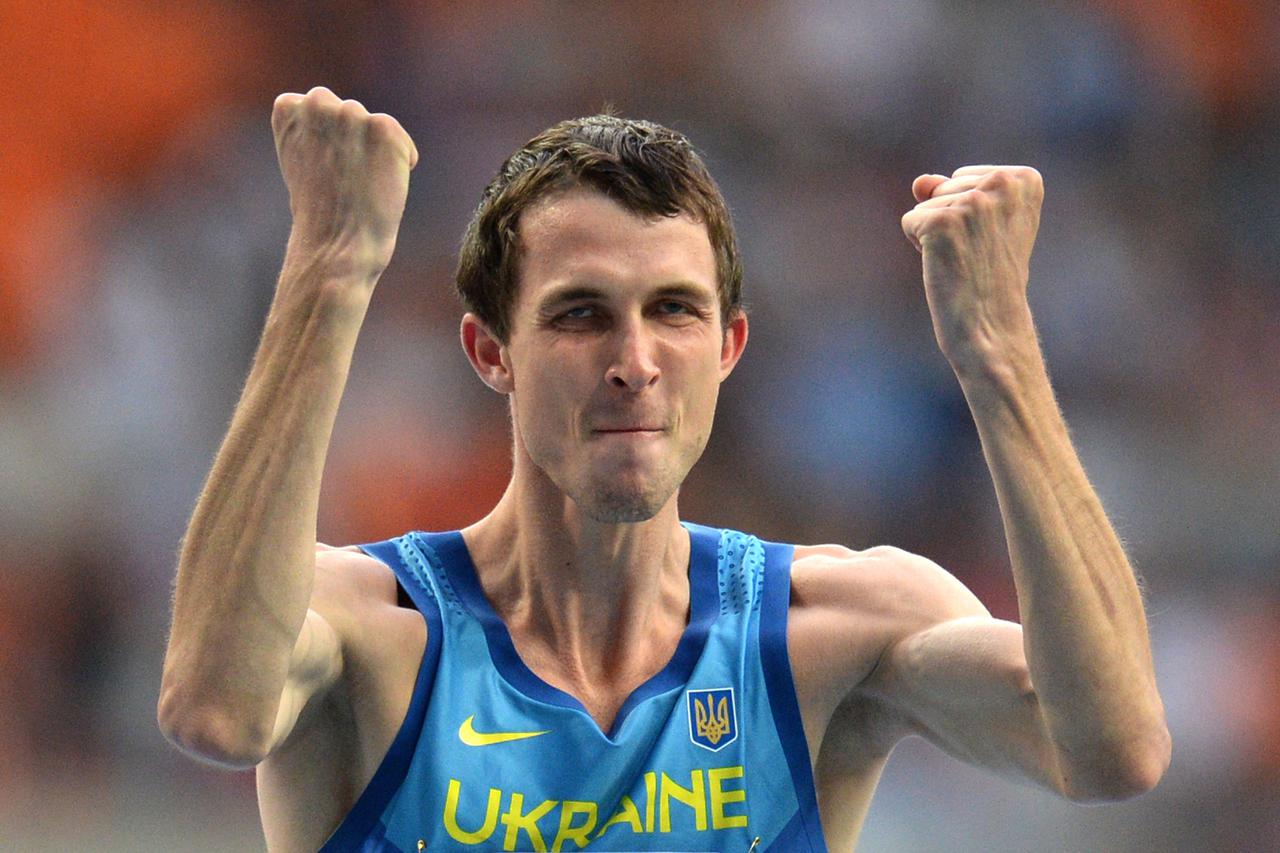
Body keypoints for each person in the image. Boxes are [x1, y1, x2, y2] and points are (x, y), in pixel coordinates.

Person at [158, 86, 1170, 852]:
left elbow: (1109, 746)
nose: (634, 363)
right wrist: (329, 270)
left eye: (673, 311)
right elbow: (216, 707)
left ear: (728, 346)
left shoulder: (828, 632)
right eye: (579, 312)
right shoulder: (373, 628)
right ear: (488, 351)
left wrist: (995, 354)